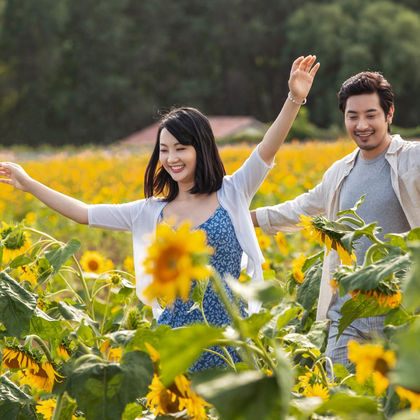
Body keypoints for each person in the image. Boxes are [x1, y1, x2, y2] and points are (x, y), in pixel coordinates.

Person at [0, 55, 319, 370]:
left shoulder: (233, 192)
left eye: (181, 148)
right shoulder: (150, 212)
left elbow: (268, 148)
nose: (171, 158)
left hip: (230, 345)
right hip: (174, 349)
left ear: (202, 148)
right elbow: (85, 213)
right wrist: (29, 184)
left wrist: (294, 98)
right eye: (164, 150)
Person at [252, 71, 420, 371]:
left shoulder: (412, 159)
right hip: (348, 314)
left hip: (402, 311)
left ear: (389, 113)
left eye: (371, 115)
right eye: (352, 116)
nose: (361, 125)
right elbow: (300, 209)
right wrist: (246, 218)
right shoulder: (339, 172)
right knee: (339, 400)